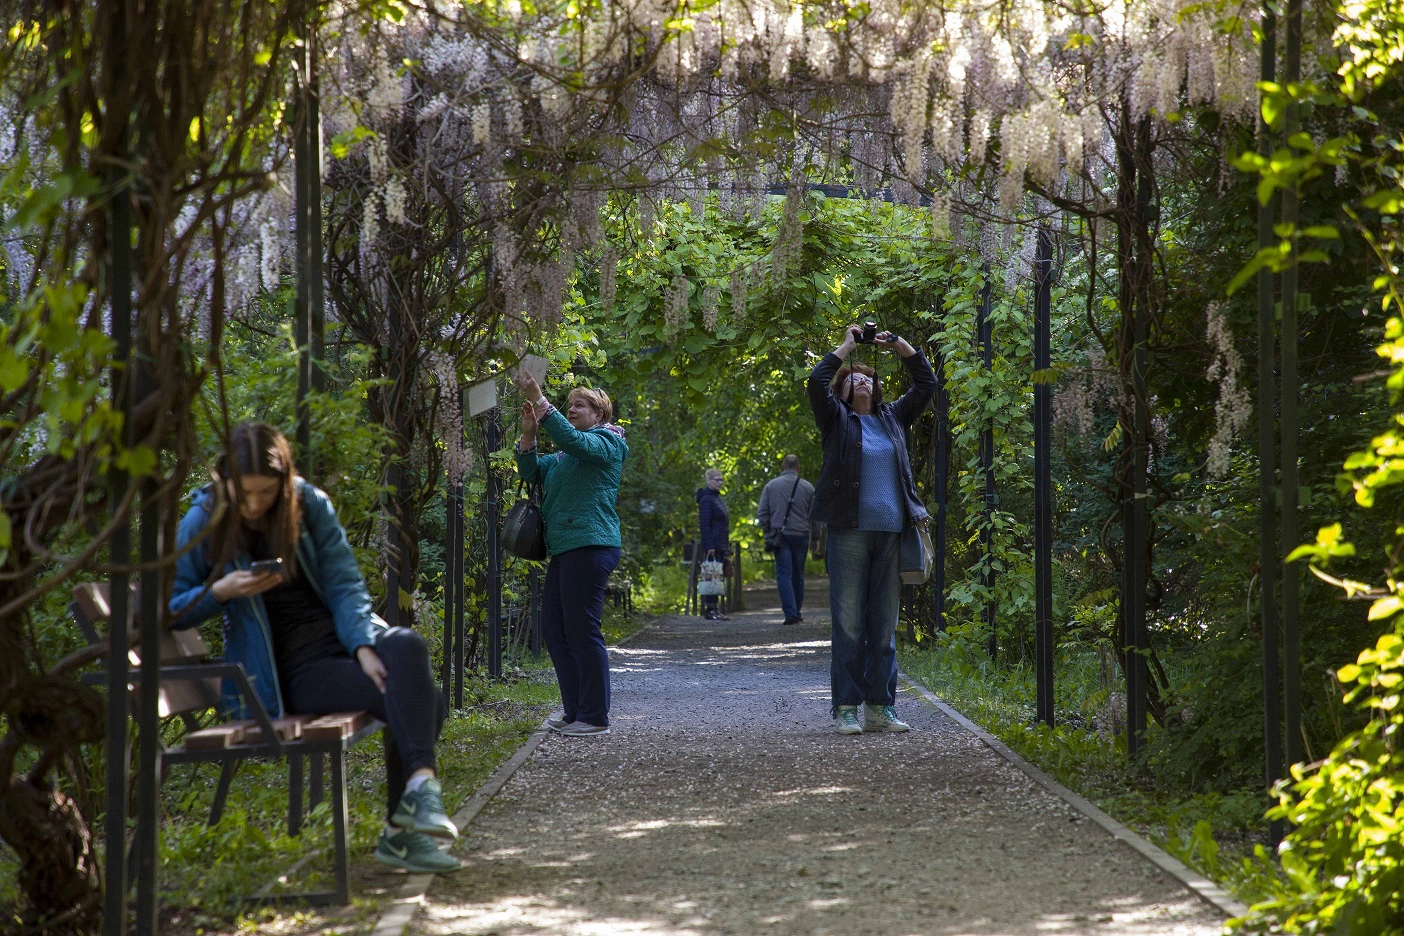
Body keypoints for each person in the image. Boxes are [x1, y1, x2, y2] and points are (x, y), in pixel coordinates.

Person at [170, 422, 462, 874]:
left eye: (265, 493)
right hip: (286, 673)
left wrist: (364, 646)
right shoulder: (204, 519)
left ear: (285, 481)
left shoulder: (309, 505)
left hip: (342, 643)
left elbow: (345, 583)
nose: (253, 504)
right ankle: (402, 833)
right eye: (243, 494)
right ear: (225, 481)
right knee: (425, 698)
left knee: (406, 645)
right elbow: (170, 608)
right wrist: (223, 590)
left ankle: (421, 787)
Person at [809, 325, 937, 735]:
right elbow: (816, 381)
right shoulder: (836, 420)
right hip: (848, 534)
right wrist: (845, 347)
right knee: (849, 625)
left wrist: (899, 345)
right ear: (843, 391)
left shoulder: (893, 418)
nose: (863, 380)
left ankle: (882, 707)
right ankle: (847, 706)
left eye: (868, 377)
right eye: (853, 378)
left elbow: (927, 382)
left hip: (891, 535)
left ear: (877, 388)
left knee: (884, 626)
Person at [515, 372, 628, 737]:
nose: (573, 408)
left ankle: (595, 717)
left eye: (581, 405)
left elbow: (574, 440)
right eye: (570, 405)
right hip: (566, 549)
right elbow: (531, 470)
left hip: (592, 544)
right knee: (555, 629)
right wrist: (530, 433)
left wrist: (541, 400)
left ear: (600, 415)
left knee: (581, 630)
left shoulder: (607, 444)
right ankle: (575, 710)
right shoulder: (565, 455)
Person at [756, 455, 815, 626]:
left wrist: (768, 533)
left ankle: (790, 613)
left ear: (783, 466)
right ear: (798, 467)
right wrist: (816, 537)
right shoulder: (808, 487)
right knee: (798, 575)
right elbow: (815, 516)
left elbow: (762, 513)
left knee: (784, 574)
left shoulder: (771, 486)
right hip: (802, 535)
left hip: (780, 536)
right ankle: (796, 611)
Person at [695, 468, 731, 621]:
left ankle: (715, 608)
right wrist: (709, 545)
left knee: (717, 576)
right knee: (711, 575)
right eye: (717, 479)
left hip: (720, 544)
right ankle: (709, 609)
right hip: (712, 545)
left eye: (721, 479)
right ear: (708, 480)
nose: (720, 482)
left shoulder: (717, 498)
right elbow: (704, 524)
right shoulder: (707, 499)